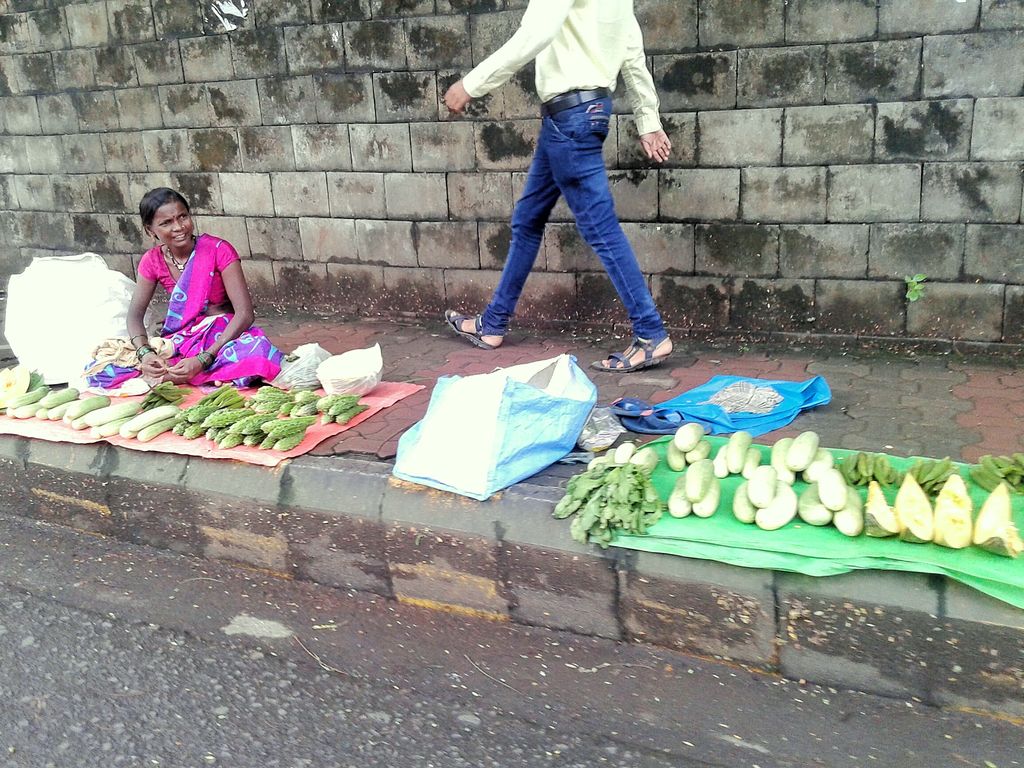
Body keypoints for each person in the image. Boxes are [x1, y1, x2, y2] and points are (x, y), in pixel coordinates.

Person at [443, 0, 674, 372]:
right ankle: (493, 324)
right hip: (584, 115)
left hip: (570, 118)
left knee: (600, 228)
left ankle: (651, 335)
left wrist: (472, 85)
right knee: (528, 219)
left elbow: (537, 32)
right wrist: (647, 119)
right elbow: (632, 53)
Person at [90, 187, 283, 389]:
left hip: (222, 338)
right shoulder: (152, 261)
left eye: (183, 217)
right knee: (103, 370)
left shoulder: (218, 250)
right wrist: (145, 354)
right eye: (166, 223)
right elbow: (134, 316)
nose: (179, 227)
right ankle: (183, 374)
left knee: (258, 355)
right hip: (182, 341)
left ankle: (179, 375)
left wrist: (204, 358)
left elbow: (244, 314)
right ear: (150, 230)